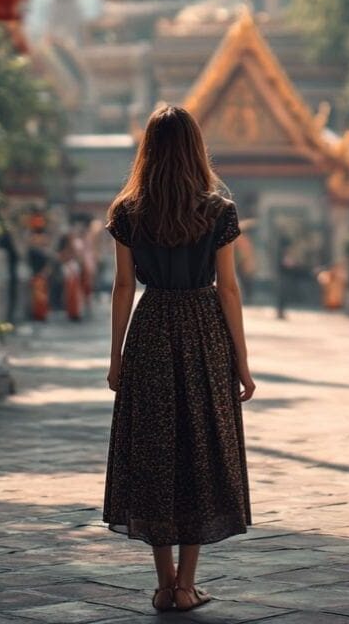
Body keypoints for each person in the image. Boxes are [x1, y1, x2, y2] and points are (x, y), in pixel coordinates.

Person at [102, 104, 254, 613]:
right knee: (199, 454)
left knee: (155, 453)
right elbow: (228, 288)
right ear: (195, 149)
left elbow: (124, 287)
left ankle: (163, 583)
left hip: (150, 332)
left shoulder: (128, 212)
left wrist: (116, 356)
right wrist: (242, 360)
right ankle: (187, 585)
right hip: (203, 334)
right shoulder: (218, 211)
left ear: (147, 151)